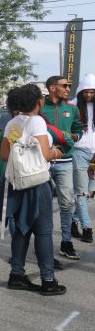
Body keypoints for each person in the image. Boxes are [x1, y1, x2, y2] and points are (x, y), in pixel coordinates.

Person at [0, 84, 66, 295]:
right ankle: (48, 280)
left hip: (16, 183)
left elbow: (5, 155)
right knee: (43, 232)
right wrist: (56, 152)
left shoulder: (11, 123)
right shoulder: (37, 121)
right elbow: (45, 154)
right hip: (36, 183)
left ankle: (16, 275)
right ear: (39, 102)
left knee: (22, 229)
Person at [41, 75, 83, 260]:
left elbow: (79, 130)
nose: (68, 88)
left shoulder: (72, 109)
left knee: (67, 203)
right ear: (52, 88)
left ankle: (66, 242)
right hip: (43, 162)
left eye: (69, 86)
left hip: (65, 162)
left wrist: (74, 137)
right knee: (42, 205)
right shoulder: (39, 106)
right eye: (64, 85)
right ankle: (42, 244)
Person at [71, 73, 95, 245]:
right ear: (80, 91)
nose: (88, 95)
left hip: (94, 155)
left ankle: (73, 222)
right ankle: (87, 228)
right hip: (78, 152)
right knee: (81, 192)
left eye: (92, 92)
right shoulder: (72, 106)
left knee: (89, 194)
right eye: (85, 91)